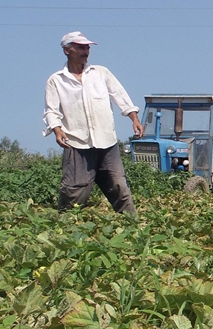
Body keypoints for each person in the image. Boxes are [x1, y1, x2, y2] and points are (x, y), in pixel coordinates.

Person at [43, 31, 144, 214]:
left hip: (107, 142)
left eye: (87, 47)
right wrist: (57, 130)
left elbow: (120, 95)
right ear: (67, 50)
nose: (85, 51)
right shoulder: (56, 80)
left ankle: (133, 227)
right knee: (74, 191)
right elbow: (52, 110)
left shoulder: (101, 73)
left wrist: (134, 118)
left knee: (119, 186)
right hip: (77, 144)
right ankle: (64, 227)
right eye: (80, 47)